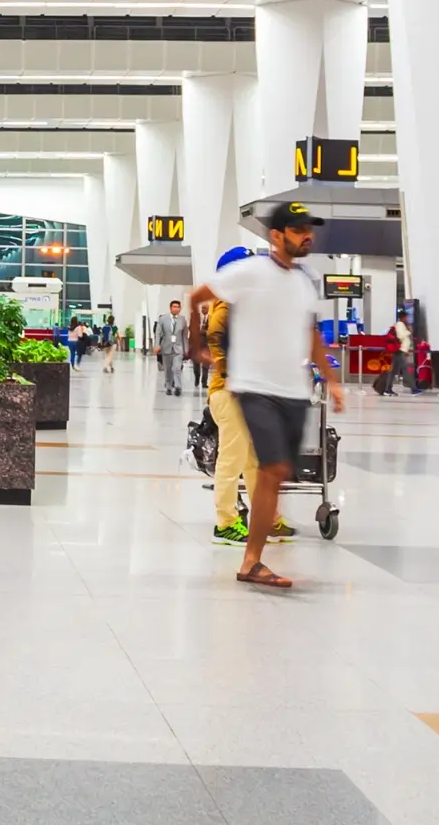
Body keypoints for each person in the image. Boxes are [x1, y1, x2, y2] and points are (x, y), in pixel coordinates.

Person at [187, 201, 344, 591]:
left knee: (269, 470)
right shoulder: (248, 275)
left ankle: (258, 541)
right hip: (244, 388)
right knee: (251, 464)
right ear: (277, 236)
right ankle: (239, 540)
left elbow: (310, 333)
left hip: (291, 390)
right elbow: (199, 303)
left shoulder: (304, 281)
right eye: (298, 229)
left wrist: (332, 379)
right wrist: (197, 348)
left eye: (310, 228)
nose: (308, 235)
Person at [153, 300, 186, 396]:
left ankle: (178, 387)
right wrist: (157, 345)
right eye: (174, 306)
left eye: (178, 307)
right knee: (167, 370)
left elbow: (184, 335)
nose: (176, 308)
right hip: (166, 348)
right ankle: (168, 386)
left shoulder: (182, 319)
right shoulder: (163, 319)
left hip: (178, 348)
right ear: (170, 308)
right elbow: (158, 333)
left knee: (177, 368)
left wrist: (186, 349)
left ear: (180, 309)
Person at [392, 313, 419, 394]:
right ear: (403, 317)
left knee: (393, 371)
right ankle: (413, 388)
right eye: (406, 317)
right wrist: (408, 332)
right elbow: (400, 336)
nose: (407, 319)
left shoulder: (402, 325)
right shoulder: (400, 324)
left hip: (401, 350)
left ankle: (387, 388)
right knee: (406, 370)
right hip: (400, 351)